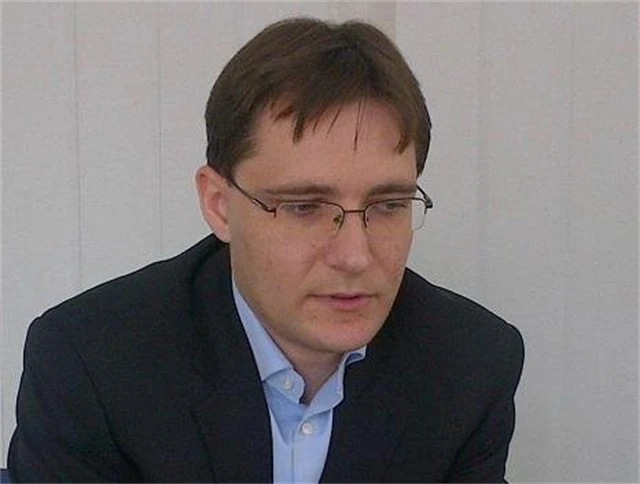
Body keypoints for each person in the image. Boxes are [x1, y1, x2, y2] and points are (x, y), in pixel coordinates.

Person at [8, 17, 524, 484]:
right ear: (219, 206)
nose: (355, 256)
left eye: (388, 205)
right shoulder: (92, 363)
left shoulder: (471, 366)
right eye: (304, 207)